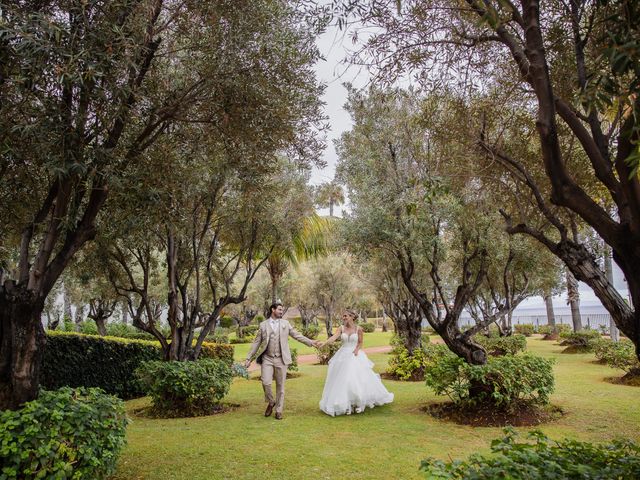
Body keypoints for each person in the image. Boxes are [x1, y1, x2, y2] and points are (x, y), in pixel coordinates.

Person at [244, 302, 320, 420]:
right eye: (279, 309)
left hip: (281, 359)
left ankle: (279, 410)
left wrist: (311, 342)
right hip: (267, 358)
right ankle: (271, 402)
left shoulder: (286, 324)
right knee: (266, 382)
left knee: (281, 386)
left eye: (282, 310)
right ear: (273, 310)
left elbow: (297, 335)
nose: (281, 311)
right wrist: (248, 358)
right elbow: (256, 343)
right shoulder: (263, 325)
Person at [318, 309, 394, 416]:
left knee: (356, 379)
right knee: (343, 380)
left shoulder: (359, 329)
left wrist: (357, 350)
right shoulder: (341, 328)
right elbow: (334, 338)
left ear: (352, 317)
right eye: (343, 316)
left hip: (355, 355)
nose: (344, 318)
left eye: (346, 316)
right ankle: (347, 404)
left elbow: (360, 342)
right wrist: (324, 343)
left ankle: (359, 403)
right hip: (343, 355)